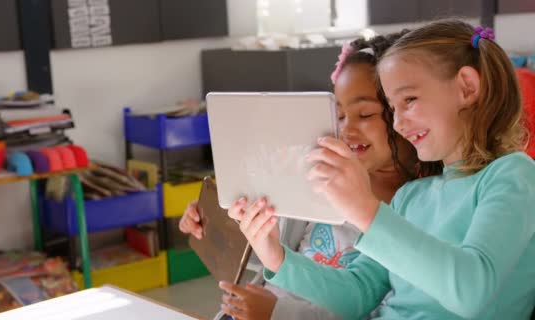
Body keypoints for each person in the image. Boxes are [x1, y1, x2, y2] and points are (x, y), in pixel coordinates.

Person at [229, 19, 535, 320]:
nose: (398, 124)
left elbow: (471, 291)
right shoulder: (411, 197)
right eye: (393, 107)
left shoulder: (513, 174)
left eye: (409, 100)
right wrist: (276, 256)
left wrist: (365, 209)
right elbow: (357, 295)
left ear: (467, 87)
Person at [180, 31, 437, 320]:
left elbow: (372, 307)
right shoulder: (319, 180)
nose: (347, 129)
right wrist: (217, 222)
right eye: (338, 115)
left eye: (365, 114)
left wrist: (278, 313)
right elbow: (270, 252)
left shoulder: (419, 211)